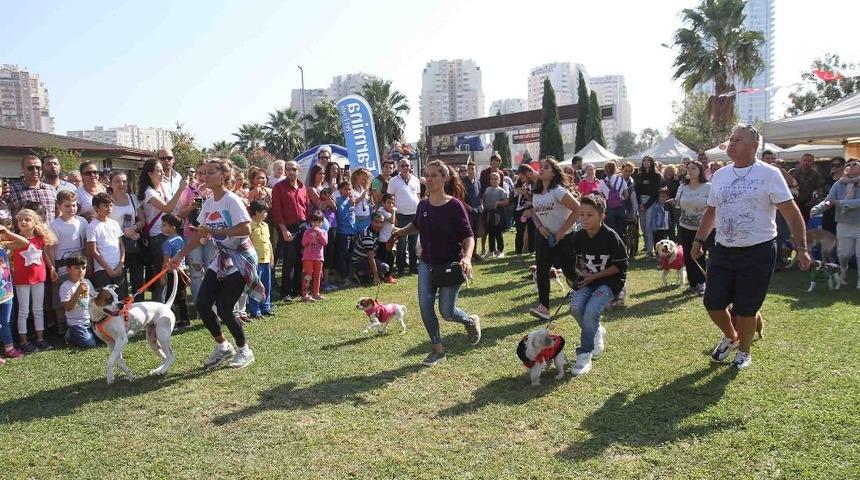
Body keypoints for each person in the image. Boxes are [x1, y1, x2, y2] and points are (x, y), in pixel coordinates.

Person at [692, 125, 811, 370]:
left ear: (753, 146)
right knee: (712, 302)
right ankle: (731, 337)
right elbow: (712, 211)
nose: (731, 143)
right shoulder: (721, 175)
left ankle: (744, 351)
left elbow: (792, 212)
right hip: (723, 248)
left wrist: (802, 248)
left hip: (758, 250)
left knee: (747, 306)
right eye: (731, 139)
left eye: (737, 139)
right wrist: (699, 240)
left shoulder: (769, 174)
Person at [168, 158, 261, 369]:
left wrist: (215, 232)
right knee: (202, 303)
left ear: (223, 176)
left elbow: (245, 229)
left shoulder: (232, 200)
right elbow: (201, 235)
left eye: (210, 172)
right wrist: (179, 256)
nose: (205, 176)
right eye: (203, 172)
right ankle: (222, 346)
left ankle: (244, 350)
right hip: (221, 258)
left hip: (240, 258)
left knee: (225, 307)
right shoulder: (209, 202)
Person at [392, 160, 481, 366]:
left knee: (447, 312)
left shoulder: (455, 206)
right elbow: (416, 225)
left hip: (450, 265)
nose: (429, 179)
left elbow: (469, 236)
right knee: (425, 307)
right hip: (426, 264)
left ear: (444, 178)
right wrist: (401, 232)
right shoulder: (423, 204)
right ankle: (438, 350)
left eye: (434, 175)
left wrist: (467, 258)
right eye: (427, 175)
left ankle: (469, 320)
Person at [570, 195, 628, 375]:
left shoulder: (611, 237)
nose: (584, 218)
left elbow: (619, 266)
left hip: (610, 282)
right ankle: (596, 331)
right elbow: (580, 261)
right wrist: (583, 271)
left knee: (591, 310)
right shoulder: (578, 236)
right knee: (575, 308)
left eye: (590, 215)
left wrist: (595, 276)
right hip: (589, 280)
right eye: (582, 214)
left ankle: (584, 354)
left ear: (602, 216)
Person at [529, 156, 581, 320]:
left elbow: (577, 209)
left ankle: (587, 292)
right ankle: (543, 307)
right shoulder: (536, 193)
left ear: (553, 173)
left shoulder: (558, 191)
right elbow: (535, 214)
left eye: (546, 167)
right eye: (541, 167)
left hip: (565, 237)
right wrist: (540, 227)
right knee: (542, 271)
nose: (541, 169)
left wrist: (562, 230)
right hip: (544, 237)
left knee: (570, 271)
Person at [138, 158, 186, 302]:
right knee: (161, 273)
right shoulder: (148, 192)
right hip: (158, 236)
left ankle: (169, 305)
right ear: (149, 173)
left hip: (169, 233)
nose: (161, 173)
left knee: (171, 271)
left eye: (161, 170)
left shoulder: (163, 187)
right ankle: (158, 306)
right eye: (158, 171)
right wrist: (180, 189)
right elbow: (168, 208)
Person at [13, 208, 58, 353]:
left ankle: (40, 338)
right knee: (24, 310)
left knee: (38, 309)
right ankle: (23, 341)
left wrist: (51, 268)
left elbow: (44, 255)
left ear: (35, 222)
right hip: (22, 279)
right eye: (20, 220)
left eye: (27, 219)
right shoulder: (15, 239)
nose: (23, 222)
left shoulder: (39, 239)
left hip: (39, 277)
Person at [810, 159, 860, 288]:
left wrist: (839, 203)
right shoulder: (839, 184)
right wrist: (818, 208)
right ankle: (843, 272)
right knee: (844, 254)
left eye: (854, 164)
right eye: (848, 164)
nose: (850, 166)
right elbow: (828, 201)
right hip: (843, 225)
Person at [49, 190, 87, 335]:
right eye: (67, 206)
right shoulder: (54, 225)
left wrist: (86, 265)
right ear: (59, 206)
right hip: (62, 266)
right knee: (60, 297)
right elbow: (50, 249)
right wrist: (52, 267)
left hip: (79, 266)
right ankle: (61, 325)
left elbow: (85, 244)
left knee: (80, 293)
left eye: (73, 205)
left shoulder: (82, 222)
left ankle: (80, 322)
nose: (71, 209)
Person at [271, 160, 308, 303]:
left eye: (294, 169)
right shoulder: (279, 187)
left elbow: (307, 207)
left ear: (298, 171)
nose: (292, 172)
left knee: (301, 259)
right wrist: (283, 229)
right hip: (287, 227)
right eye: (289, 169)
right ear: (285, 171)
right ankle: (285, 292)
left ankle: (297, 289)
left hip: (303, 226)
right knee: (289, 260)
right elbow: (276, 211)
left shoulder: (303, 187)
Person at [674, 160, 712, 295]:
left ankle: (702, 283)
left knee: (699, 253)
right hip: (685, 225)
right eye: (688, 168)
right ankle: (692, 283)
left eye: (693, 168)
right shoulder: (682, 187)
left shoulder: (708, 187)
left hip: (702, 227)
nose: (690, 171)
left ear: (700, 171)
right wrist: (670, 202)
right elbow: (677, 203)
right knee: (687, 254)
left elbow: (713, 207)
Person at [107, 171, 145, 301]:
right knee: (120, 281)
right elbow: (103, 223)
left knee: (138, 279)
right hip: (115, 244)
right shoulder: (107, 200)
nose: (121, 184)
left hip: (133, 244)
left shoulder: (133, 198)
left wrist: (132, 228)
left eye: (124, 181)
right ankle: (122, 310)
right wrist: (123, 232)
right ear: (110, 183)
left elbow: (142, 221)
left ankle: (139, 306)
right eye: (117, 181)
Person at [86, 193, 126, 293]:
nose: (109, 208)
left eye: (110, 205)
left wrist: (120, 265)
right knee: (106, 303)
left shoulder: (114, 223)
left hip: (118, 268)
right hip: (102, 270)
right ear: (96, 207)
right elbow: (93, 251)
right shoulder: (92, 226)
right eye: (105, 206)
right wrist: (107, 268)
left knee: (121, 300)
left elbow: (121, 246)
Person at [0, 225, 30, 360]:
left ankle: (9, 347)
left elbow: (24, 242)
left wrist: (7, 233)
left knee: (5, 321)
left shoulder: (4, 246)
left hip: (6, 292)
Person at [389, 158, 421, 276]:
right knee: (401, 243)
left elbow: (418, 196)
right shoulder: (393, 181)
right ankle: (401, 267)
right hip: (401, 215)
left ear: (410, 166)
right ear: (398, 167)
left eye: (407, 165)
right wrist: (395, 215)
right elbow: (391, 199)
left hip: (415, 214)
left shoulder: (416, 180)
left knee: (413, 243)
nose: (405, 168)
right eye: (402, 166)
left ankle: (413, 267)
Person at [159, 214, 190, 329]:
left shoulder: (168, 243)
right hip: (182, 271)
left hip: (172, 273)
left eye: (164, 225)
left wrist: (162, 276)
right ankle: (185, 320)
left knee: (168, 298)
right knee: (181, 297)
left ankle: (169, 321)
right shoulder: (180, 239)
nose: (161, 227)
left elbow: (166, 261)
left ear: (173, 227)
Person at [59, 254, 97, 348]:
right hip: (77, 323)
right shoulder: (65, 286)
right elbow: (68, 307)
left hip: (91, 321)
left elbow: (93, 299)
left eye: (83, 268)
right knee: (89, 344)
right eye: (76, 268)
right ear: (68, 269)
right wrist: (77, 292)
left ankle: (89, 334)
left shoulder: (87, 282)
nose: (81, 271)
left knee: (107, 338)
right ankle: (71, 335)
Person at [8, 155, 57, 219]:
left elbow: (57, 212)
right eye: (30, 168)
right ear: (22, 170)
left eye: (38, 168)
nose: (35, 171)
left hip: (49, 228)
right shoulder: (12, 190)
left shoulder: (51, 189)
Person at [247, 201, 275, 316]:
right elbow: (248, 244)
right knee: (256, 286)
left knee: (267, 284)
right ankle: (255, 309)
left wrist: (272, 257)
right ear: (257, 212)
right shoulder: (249, 226)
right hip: (256, 261)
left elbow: (268, 243)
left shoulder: (265, 225)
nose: (266, 214)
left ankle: (266, 306)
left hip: (266, 260)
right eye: (264, 212)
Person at [351, 212, 389, 286]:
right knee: (384, 267)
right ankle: (360, 273)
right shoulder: (367, 235)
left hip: (366, 258)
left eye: (381, 222)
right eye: (376, 222)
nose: (379, 225)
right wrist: (376, 276)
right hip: (359, 261)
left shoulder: (376, 231)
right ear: (371, 221)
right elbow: (370, 258)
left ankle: (366, 275)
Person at [636, 156, 663, 258]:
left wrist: (646, 205)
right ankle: (648, 248)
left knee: (648, 227)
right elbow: (637, 191)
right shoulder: (639, 176)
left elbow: (656, 193)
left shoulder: (656, 176)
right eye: (644, 161)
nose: (646, 163)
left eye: (648, 161)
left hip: (651, 202)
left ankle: (650, 251)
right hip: (641, 202)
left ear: (652, 163)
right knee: (643, 227)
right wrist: (640, 204)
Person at [300, 210, 328, 301]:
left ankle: (316, 293)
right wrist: (310, 237)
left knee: (317, 275)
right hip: (308, 257)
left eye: (319, 222)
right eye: (314, 221)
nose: (316, 224)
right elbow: (303, 243)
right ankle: (305, 294)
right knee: (307, 275)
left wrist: (319, 233)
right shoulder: (307, 231)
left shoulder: (323, 232)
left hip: (319, 258)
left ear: (322, 222)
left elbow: (324, 242)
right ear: (311, 222)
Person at [597, 162, 629, 241]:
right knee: (621, 230)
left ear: (605, 170)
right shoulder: (621, 180)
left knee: (610, 230)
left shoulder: (601, 182)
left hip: (608, 207)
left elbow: (601, 197)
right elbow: (626, 195)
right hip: (620, 207)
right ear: (615, 169)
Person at [334, 181, 357, 284]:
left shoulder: (350, 200)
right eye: (345, 189)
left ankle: (349, 274)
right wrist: (348, 204)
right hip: (342, 232)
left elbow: (353, 217)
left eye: (349, 189)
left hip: (352, 232)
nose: (347, 191)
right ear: (340, 190)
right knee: (343, 255)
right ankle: (343, 276)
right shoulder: (339, 201)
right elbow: (341, 216)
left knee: (350, 254)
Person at [482, 172, 510, 258]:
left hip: (497, 214)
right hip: (489, 214)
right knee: (491, 233)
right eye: (492, 179)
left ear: (499, 180)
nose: (494, 181)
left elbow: (507, 201)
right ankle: (491, 250)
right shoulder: (487, 189)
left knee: (498, 233)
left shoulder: (501, 190)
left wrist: (498, 203)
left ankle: (500, 251)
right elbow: (483, 199)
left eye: (495, 179)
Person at [791, 153, 824, 221]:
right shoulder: (794, 173)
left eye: (809, 161)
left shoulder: (816, 175)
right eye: (804, 160)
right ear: (801, 161)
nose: (806, 162)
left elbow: (819, 189)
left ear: (812, 163)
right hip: (794, 203)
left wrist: (813, 201)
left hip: (808, 204)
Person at [461, 162, 484, 257]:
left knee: (475, 232)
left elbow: (480, 196)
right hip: (467, 212)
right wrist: (468, 207)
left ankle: (473, 254)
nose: (470, 171)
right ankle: (465, 254)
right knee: (467, 234)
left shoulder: (478, 182)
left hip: (477, 211)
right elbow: (460, 198)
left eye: (472, 169)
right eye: (468, 169)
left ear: (476, 170)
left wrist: (481, 205)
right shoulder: (463, 182)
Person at [513, 164, 535, 255]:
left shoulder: (533, 184)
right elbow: (513, 196)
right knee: (520, 232)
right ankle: (518, 252)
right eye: (519, 174)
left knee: (531, 231)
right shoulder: (518, 183)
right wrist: (517, 191)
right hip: (519, 210)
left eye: (522, 174)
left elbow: (534, 199)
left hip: (530, 209)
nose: (520, 176)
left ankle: (531, 250)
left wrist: (526, 193)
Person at [821, 156, 846, 235]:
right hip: (828, 210)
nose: (834, 167)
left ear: (843, 166)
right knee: (828, 233)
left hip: (840, 210)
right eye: (832, 165)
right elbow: (823, 193)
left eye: (837, 165)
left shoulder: (847, 180)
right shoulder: (827, 180)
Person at [376, 193, 397, 284]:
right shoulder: (382, 212)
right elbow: (392, 221)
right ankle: (386, 276)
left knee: (388, 258)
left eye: (392, 203)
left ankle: (386, 275)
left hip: (388, 239)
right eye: (388, 203)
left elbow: (393, 224)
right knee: (388, 258)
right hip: (383, 240)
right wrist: (393, 211)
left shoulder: (387, 211)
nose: (391, 205)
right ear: (383, 203)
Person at [351, 168, 373, 232]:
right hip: (357, 219)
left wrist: (370, 199)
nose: (364, 180)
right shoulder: (351, 190)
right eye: (362, 177)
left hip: (367, 218)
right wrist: (361, 197)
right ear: (357, 176)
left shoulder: (364, 189)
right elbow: (352, 205)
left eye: (366, 178)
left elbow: (368, 203)